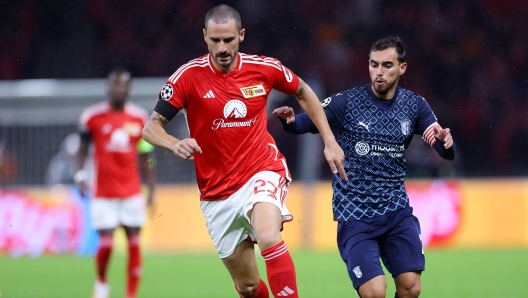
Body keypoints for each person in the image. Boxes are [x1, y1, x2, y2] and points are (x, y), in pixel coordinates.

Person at [142, 4, 346, 298]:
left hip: (261, 170)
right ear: (204, 37)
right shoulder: (187, 77)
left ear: (242, 35)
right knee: (248, 286)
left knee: (267, 235)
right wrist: (174, 143)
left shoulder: (264, 68)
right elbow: (151, 127)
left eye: (228, 40)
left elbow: (302, 90)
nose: (222, 47)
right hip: (216, 192)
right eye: (215, 40)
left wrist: (329, 140)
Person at [273, 36, 456, 298]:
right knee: (374, 292)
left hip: (396, 212)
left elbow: (442, 147)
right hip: (355, 215)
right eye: (374, 65)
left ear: (402, 68)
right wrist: (290, 122)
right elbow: (308, 121)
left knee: (411, 288)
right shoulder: (346, 102)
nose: (379, 72)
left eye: (387, 65)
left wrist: (445, 143)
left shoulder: (415, 105)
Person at [75, 69, 156, 298]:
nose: (118, 89)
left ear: (128, 89)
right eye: (115, 85)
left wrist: (152, 189)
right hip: (103, 193)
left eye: (123, 86)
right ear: (108, 87)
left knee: (134, 244)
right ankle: (101, 282)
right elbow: (81, 151)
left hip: (131, 193)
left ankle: (131, 294)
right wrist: (80, 176)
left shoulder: (139, 118)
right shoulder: (92, 117)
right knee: (107, 244)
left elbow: (147, 156)